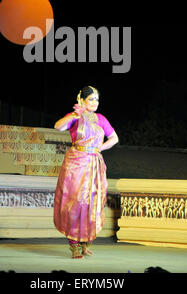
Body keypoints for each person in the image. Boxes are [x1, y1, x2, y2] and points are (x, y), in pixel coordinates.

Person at [53, 85, 119, 259]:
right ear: (81, 100)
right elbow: (58, 127)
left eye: (97, 99)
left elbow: (114, 138)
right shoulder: (75, 117)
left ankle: (85, 243)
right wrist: (76, 114)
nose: (95, 103)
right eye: (91, 99)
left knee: (92, 201)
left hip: (94, 163)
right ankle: (73, 245)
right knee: (75, 201)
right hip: (76, 163)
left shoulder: (100, 119)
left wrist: (99, 148)